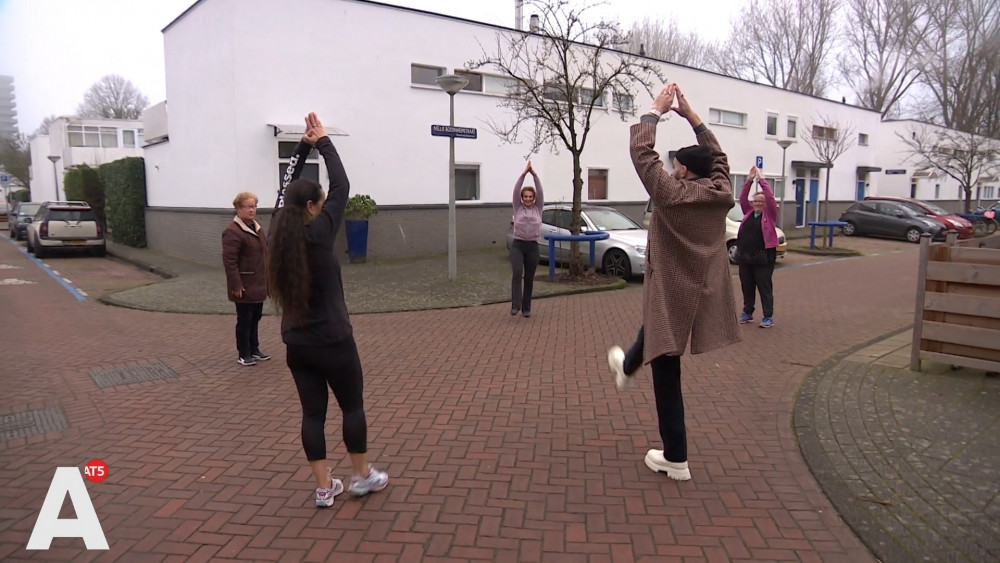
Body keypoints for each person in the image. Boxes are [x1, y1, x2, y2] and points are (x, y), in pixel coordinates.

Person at [610, 83, 741, 481]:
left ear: (683, 170)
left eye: (674, 166)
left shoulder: (672, 194)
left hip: (671, 291)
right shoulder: (722, 192)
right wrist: (693, 117)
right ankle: (627, 366)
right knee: (653, 334)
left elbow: (641, 153)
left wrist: (656, 110)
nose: (668, 170)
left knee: (666, 371)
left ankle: (676, 457)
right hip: (702, 292)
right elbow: (719, 159)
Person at [267, 112, 387, 507]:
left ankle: (323, 488)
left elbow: (286, 190)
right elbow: (343, 184)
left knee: (312, 414)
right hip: (334, 340)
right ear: (315, 207)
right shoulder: (320, 232)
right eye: (320, 202)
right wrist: (322, 142)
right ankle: (362, 477)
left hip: (297, 343)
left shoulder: (277, 234)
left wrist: (302, 147)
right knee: (351, 406)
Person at [222, 192, 270, 366]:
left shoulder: (257, 228)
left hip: (259, 283)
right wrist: (236, 284)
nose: (252, 210)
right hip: (244, 285)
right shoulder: (232, 232)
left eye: (254, 206)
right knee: (245, 319)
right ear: (239, 208)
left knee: (256, 317)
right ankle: (244, 353)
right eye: (248, 207)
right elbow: (229, 261)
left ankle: (254, 349)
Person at [736, 166, 779, 328]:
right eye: (756, 201)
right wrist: (749, 180)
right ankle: (748, 312)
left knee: (764, 286)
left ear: (766, 204)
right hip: (746, 256)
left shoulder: (770, 214)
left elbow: (770, 197)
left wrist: (761, 179)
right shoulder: (748, 212)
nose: (758, 204)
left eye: (761, 201)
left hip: (763, 258)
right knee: (747, 286)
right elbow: (742, 197)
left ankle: (768, 316)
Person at [510, 160, 543, 318]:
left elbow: (541, 191)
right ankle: (515, 304)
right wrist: (524, 174)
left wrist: (534, 175)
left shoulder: (538, 208)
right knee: (517, 272)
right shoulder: (518, 207)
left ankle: (526, 308)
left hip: (533, 246)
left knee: (529, 278)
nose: (528, 199)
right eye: (526, 196)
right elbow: (516, 190)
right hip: (518, 245)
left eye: (530, 196)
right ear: (522, 198)